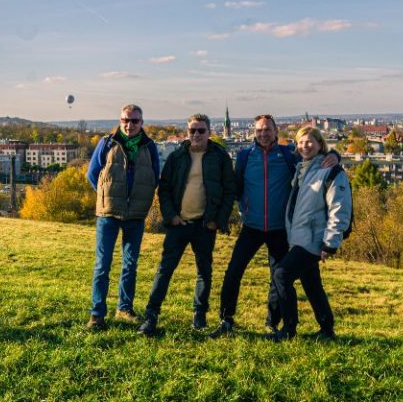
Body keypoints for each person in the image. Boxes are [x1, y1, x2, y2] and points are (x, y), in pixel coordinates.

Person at [210, 115, 337, 338]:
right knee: (233, 272)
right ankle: (226, 319)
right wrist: (244, 208)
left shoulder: (289, 154)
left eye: (267, 129)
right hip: (252, 226)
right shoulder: (245, 156)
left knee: (277, 277)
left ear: (276, 132)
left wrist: (335, 155)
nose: (263, 134)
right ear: (254, 132)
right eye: (259, 130)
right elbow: (237, 187)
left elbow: (315, 155)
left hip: (280, 229)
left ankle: (273, 323)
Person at [137, 114, 236, 337]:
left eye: (201, 130)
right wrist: (171, 216)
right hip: (178, 223)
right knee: (164, 270)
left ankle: (199, 316)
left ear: (209, 132)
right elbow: (164, 189)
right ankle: (151, 316)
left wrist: (217, 221)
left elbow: (229, 191)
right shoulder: (177, 156)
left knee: (204, 271)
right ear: (187, 132)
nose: (196, 135)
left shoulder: (220, 156)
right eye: (193, 131)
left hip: (205, 225)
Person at [272, 126, 352, 341]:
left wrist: (330, 243)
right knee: (311, 282)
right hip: (300, 237)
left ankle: (288, 329)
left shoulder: (331, 171)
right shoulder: (302, 168)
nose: (304, 146)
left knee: (281, 274)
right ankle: (326, 328)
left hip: (313, 238)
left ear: (320, 144)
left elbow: (339, 209)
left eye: (309, 142)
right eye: (300, 142)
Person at [86, 104, 160, 329]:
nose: (129, 125)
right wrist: (106, 196)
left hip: (135, 214)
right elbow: (92, 174)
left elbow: (154, 177)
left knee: (130, 264)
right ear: (120, 121)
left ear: (141, 123)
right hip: (108, 212)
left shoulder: (149, 147)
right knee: (102, 264)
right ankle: (97, 314)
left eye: (134, 121)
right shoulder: (106, 143)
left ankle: (124, 309)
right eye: (125, 120)